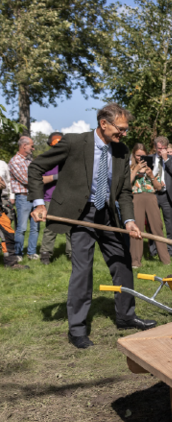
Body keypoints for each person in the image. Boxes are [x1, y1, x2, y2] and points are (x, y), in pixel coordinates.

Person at [29, 103, 157, 348]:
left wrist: (129, 221)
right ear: (103, 124)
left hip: (107, 214)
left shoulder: (121, 150)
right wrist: (38, 203)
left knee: (122, 262)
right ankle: (76, 329)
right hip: (80, 215)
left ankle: (126, 316)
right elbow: (36, 167)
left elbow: (124, 192)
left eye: (126, 129)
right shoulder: (75, 142)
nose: (124, 133)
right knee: (82, 270)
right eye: (121, 129)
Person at [129, 144, 171, 268]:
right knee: (137, 229)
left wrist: (151, 175)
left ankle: (165, 260)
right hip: (136, 197)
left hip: (151, 197)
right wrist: (136, 170)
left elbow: (159, 187)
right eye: (138, 155)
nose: (140, 157)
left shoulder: (152, 167)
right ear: (134, 155)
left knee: (157, 227)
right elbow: (126, 184)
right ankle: (135, 261)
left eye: (143, 155)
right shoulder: (130, 168)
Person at [40, 132, 73, 264]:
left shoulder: (70, 159)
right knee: (50, 228)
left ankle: (72, 253)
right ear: (50, 145)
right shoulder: (45, 159)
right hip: (50, 198)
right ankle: (45, 254)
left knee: (71, 227)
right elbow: (39, 179)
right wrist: (55, 177)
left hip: (69, 198)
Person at [9, 136, 40, 260]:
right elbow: (26, 180)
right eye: (31, 146)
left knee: (35, 227)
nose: (33, 148)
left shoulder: (28, 160)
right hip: (23, 198)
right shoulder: (15, 161)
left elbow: (36, 175)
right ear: (24, 146)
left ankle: (31, 253)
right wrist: (40, 180)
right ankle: (18, 254)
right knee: (21, 228)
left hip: (34, 196)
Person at [151, 137, 172, 260]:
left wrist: (166, 159)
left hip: (167, 195)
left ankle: (171, 250)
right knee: (153, 224)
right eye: (159, 148)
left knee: (170, 225)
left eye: (164, 148)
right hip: (152, 195)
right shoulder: (150, 158)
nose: (161, 151)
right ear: (155, 147)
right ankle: (153, 250)